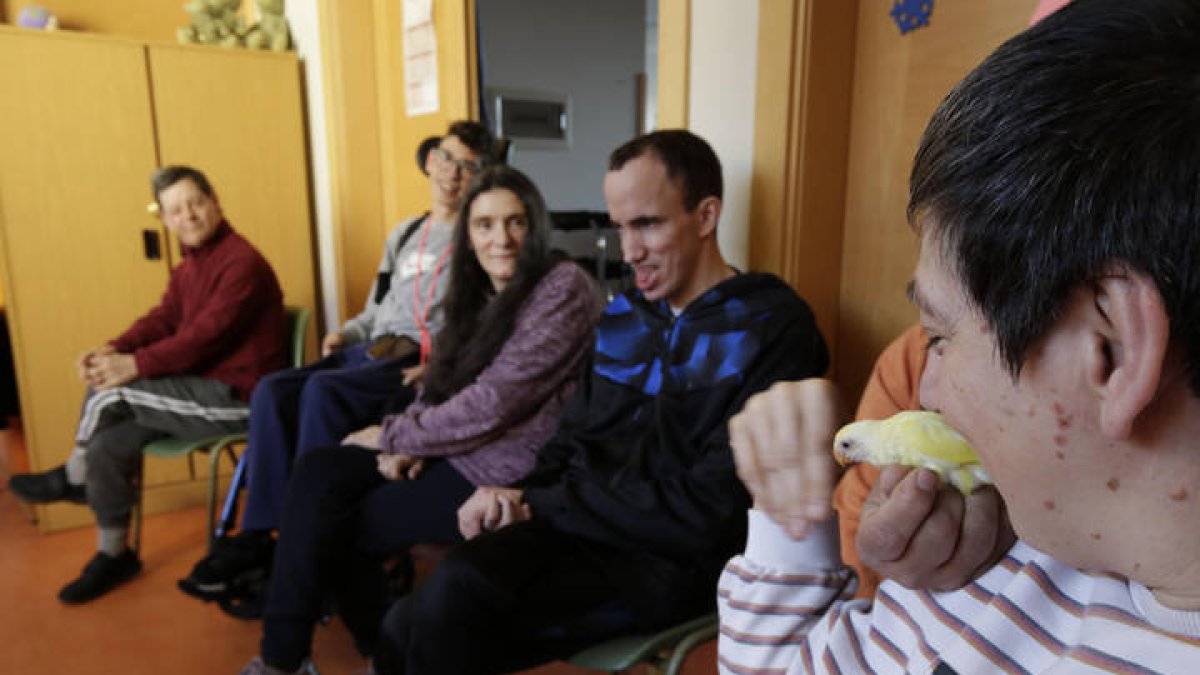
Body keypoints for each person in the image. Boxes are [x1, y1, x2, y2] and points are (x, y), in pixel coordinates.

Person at [719, 0, 1200, 671]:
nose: (929, 388)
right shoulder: (998, 549)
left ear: (1110, 349)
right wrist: (786, 518)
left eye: (939, 335)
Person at [372, 129, 830, 675]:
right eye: (619, 227)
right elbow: (569, 439)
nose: (628, 251)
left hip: (664, 564)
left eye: (647, 224)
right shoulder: (625, 319)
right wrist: (515, 496)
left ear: (706, 217)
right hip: (575, 532)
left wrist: (547, 505)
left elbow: (712, 509)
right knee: (404, 624)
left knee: (455, 596)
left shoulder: (771, 328)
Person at [238, 165, 599, 675]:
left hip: (503, 468)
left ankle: (379, 655)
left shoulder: (563, 287)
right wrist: (406, 440)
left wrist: (395, 434)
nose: (502, 239)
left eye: (516, 223)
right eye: (485, 225)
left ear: (536, 227)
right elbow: (439, 384)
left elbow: (496, 402)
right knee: (319, 472)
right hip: (451, 446)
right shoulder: (475, 294)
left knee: (344, 521)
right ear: (469, 236)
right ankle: (287, 658)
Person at [182, 121, 494, 594]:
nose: (454, 174)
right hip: (369, 348)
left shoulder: (479, 240)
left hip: (413, 359)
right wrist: (345, 332)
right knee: (273, 389)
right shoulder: (406, 233)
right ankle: (256, 533)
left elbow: (484, 321)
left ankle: (304, 541)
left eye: (469, 168)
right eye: (448, 159)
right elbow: (376, 307)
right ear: (431, 160)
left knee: (322, 392)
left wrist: (444, 363)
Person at [8, 165, 285, 604]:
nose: (189, 216)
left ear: (216, 202)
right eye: (176, 211)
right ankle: (113, 554)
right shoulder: (191, 265)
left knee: (113, 388)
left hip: (239, 400)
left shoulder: (242, 262)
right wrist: (112, 350)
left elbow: (201, 339)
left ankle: (74, 477)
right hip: (196, 393)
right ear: (166, 221)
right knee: (108, 441)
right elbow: (163, 321)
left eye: (195, 203)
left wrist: (131, 366)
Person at [832, 324, 1014, 598]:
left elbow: (974, 460)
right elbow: (851, 515)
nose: (931, 397)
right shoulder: (900, 375)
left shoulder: (908, 435)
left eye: (846, 447)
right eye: (934, 344)